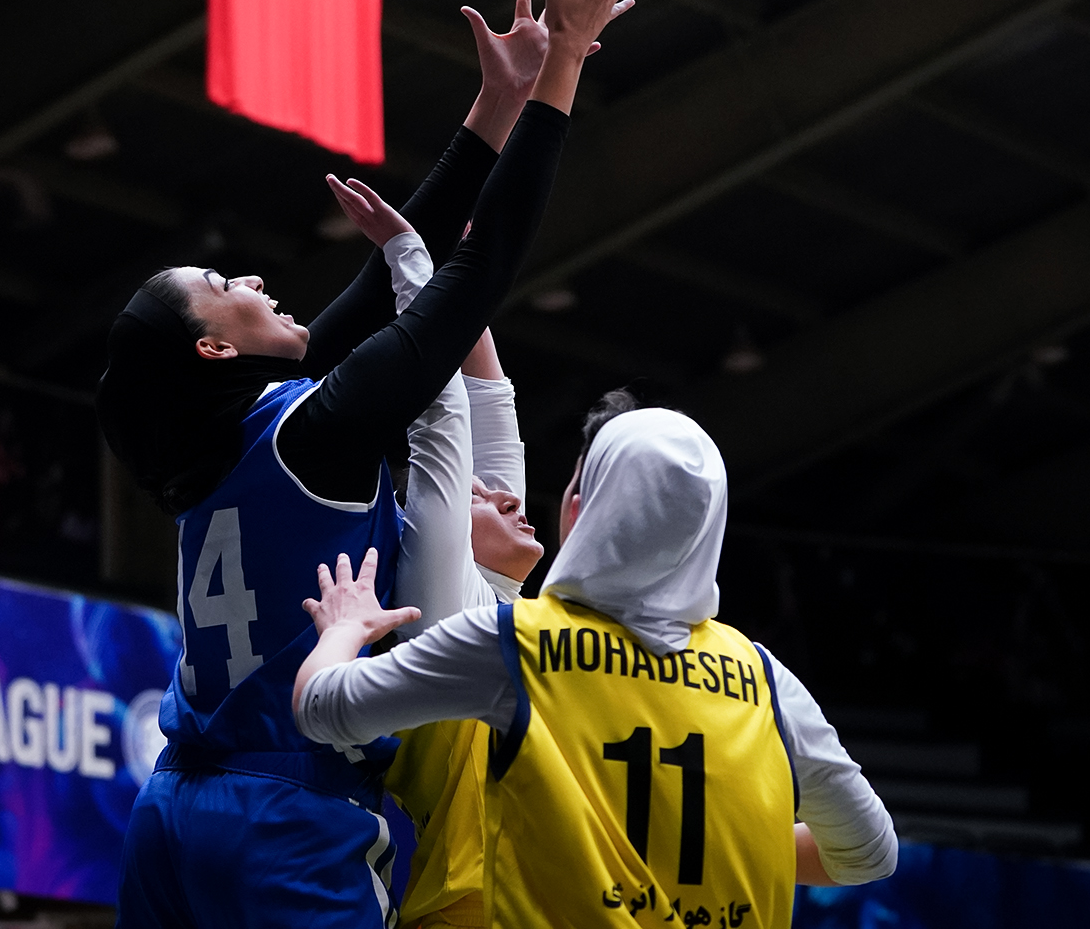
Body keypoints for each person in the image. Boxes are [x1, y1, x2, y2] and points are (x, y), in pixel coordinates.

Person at [100, 0, 645, 929]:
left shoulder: (226, 446)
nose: (252, 277)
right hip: (283, 811)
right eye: (223, 283)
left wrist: (496, 104)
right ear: (211, 348)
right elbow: (472, 271)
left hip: (172, 809)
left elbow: (387, 273)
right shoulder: (312, 434)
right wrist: (566, 61)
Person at [292, 396, 899, 928]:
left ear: (579, 511)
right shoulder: (765, 679)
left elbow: (322, 709)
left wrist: (343, 631)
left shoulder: (517, 643)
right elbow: (870, 855)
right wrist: (712, 846)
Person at [342, 181, 541, 928]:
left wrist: (467, 269)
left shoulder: (496, 602)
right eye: (479, 498)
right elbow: (446, 414)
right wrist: (412, 262)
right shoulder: (439, 613)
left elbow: (492, 402)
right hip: (466, 906)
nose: (510, 500)